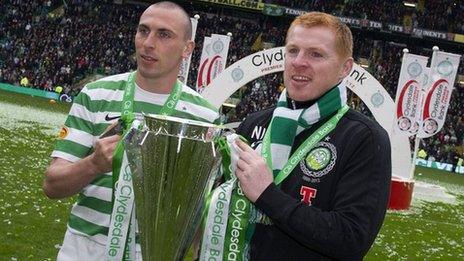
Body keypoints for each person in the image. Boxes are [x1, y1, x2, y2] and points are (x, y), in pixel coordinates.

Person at [43, 2, 218, 260]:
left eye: (164, 34)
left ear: (187, 48)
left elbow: (200, 212)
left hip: (153, 252)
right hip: (85, 247)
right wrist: (93, 164)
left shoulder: (205, 117)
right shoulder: (96, 95)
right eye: (143, 31)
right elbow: (52, 185)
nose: (148, 43)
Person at [234, 12, 391, 260]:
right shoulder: (254, 123)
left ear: (345, 68)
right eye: (293, 50)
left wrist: (267, 195)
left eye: (315, 54)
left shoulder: (365, 138)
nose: (299, 62)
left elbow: (351, 239)